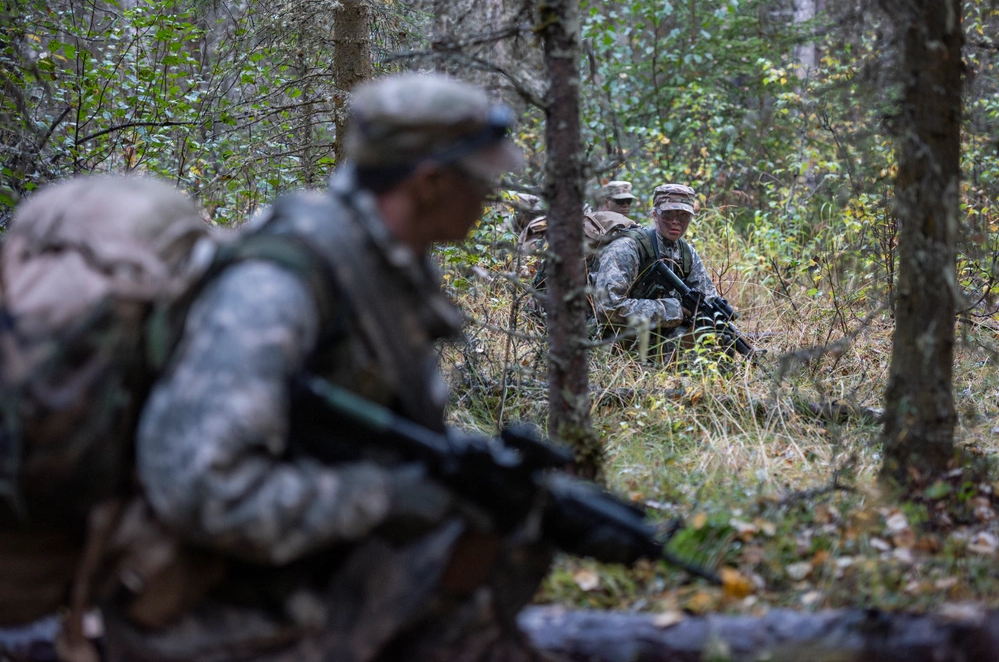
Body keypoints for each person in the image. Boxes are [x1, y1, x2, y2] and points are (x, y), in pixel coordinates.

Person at [101, 73, 553, 662]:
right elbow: (203, 490)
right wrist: (388, 496)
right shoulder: (278, 288)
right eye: (481, 179)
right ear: (430, 184)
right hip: (211, 616)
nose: (490, 194)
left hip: (302, 575)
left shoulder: (386, 267)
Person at [591, 182, 723, 360]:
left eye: (683, 215)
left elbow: (708, 298)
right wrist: (674, 310)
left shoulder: (686, 252)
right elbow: (608, 307)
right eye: (669, 214)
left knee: (715, 349)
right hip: (613, 340)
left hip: (657, 336)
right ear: (655, 214)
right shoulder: (627, 248)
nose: (676, 221)